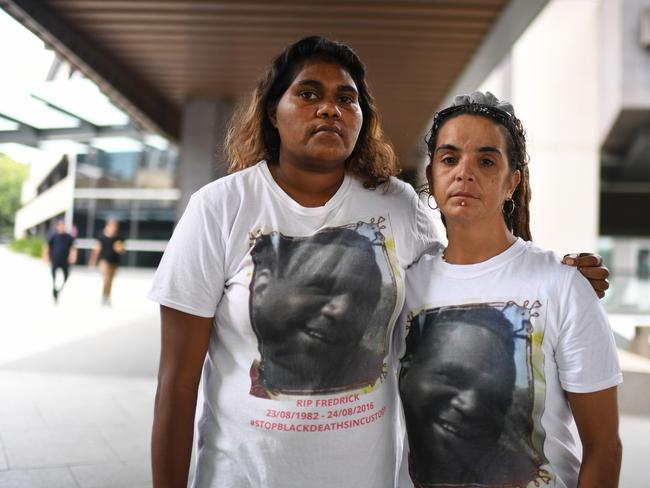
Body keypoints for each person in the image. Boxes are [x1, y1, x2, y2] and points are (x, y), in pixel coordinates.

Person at [148, 37, 609, 488]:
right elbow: (177, 385)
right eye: (308, 94)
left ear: (362, 117)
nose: (329, 109)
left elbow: (465, 274)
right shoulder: (220, 208)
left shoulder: (396, 204)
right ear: (273, 110)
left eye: (346, 99)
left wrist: (557, 276)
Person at [400, 91, 622, 488]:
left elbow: (603, 446)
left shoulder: (562, 284)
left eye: (486, 161)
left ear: (511, 182)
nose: (464, 172)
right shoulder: (407, 286)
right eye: (449, 159)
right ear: (431, 176)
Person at [250, 226, 387, 395]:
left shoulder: (374, 370)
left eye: (362, 299)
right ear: (261, 287)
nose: (342, 310)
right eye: (321, 287)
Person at [88, 218, 125, 306]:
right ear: (108, 226)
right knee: (106, 278)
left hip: (114, 261)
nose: (114, 228)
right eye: (112, 226)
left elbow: (123, 250)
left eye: (115, 226)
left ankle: (107, 296)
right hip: (104, 261)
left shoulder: (119, 237)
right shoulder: (101, 237)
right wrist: (93, 261)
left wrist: (120, 249)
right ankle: (104, 296)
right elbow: (96, 250)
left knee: (111, 280)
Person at [43, 219, 76, 303]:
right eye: (60, 225)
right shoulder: (53, 236)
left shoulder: (69, 237)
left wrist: (73, 256)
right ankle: (54, 291)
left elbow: (73, 247)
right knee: (54, 277)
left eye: (63, 225)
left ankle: (58, 290)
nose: (62, 227)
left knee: (66, 276)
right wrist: (45, 257)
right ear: (57, 227)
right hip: (55, 259)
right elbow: (47, 246)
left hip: (65, 260)